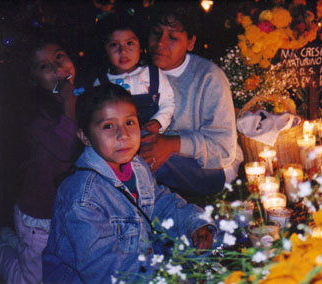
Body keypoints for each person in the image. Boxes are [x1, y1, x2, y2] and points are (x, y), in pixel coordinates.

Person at [42, 84, 215, 283]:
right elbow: (106, 269)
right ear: (85, 137)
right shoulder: (82, 199)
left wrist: (195, 223)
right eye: (108, 126)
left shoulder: (136, 165)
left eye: (130, 122)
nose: (123, 135)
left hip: (137, 261)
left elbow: (161, 202)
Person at [0, 38, 81, 283]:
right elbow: (64, 149)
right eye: (44, 66)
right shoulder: (37, 117)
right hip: (39, 215)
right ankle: (1, 249)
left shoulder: (82, 98)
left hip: (64, 210)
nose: (56, 68)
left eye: (59, 57)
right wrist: (68, 102)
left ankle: (12, 238)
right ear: (33, 79)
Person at [140, 2, 243, 200]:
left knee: (140, 162)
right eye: (155, 33)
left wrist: (173, 144)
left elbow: (223, 149)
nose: (160, 43)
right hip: (162, 161)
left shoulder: (208, 77)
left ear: (190, 42)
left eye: (172, 37)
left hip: (211, 167)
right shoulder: (140, 74)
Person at [93, 15, 175, 135]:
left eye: (129, 43)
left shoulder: (154, 74)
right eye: (114, 45)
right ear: (105, 50)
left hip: (151, 140)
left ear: (140, 46)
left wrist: (158, 122)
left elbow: (168, 103)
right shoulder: (101, 83)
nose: (123, 51)